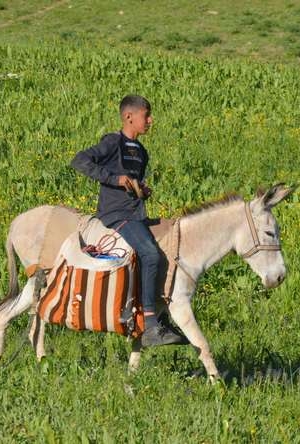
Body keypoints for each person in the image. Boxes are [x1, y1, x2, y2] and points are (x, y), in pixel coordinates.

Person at [70, 94, 187, 347]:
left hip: (136, 214)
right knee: (151, 255)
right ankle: (151, 325)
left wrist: (141, 190)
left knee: (169, 246)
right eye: (147, 115)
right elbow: (79, 160)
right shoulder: (113, 142)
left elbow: (133, 183)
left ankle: (160, 312)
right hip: (117, 215)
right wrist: (115, 179)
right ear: (129, 116)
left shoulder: (142, 152)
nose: (151, 120)